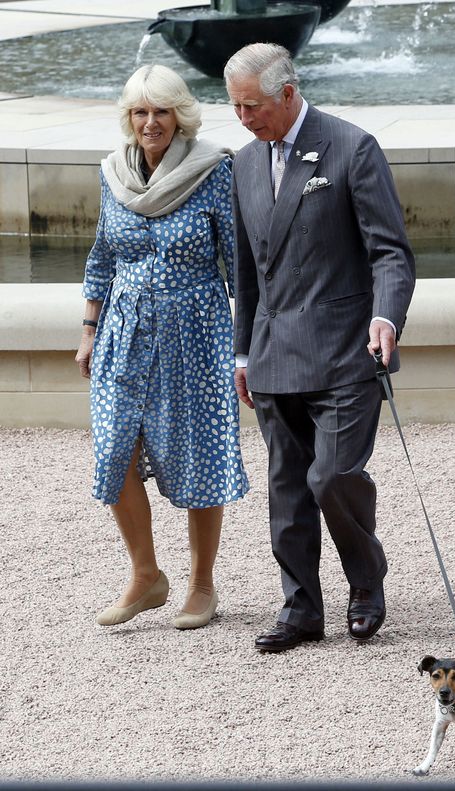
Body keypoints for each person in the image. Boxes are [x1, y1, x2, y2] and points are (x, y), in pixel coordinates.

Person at [224, 43, 415, 652]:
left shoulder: (351, 148)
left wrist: (386, 317)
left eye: (252, 105)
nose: (244, 118)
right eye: (234, 107)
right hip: (274, 352)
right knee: (287, 486)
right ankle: (301, 609)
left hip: (346, 349)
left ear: (287, 93)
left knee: (331, 476)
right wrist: (242, 354)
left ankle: (366, 581)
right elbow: (249, 270)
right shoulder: (244, 164)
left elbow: (390, 252)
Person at [75, 64, 249, 630]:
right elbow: (103, 253)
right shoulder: (112, 172)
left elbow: (239, 265)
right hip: (122, 332)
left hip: (195, 331)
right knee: (111, 452)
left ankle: (202, 584)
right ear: (130, 118)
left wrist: (245, 342)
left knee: (200, 453)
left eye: (162, 111)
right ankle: (146, 576)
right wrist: (88, 327)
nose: (150, 122)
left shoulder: (213, 170)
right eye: (140, 112)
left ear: (180, 115)